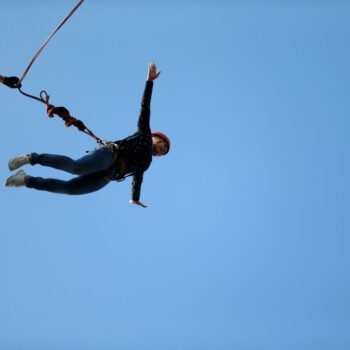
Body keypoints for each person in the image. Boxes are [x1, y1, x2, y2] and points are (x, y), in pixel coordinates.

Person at [4, 62, 170, 208]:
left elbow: (137, 179)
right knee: (76, 168)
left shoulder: (146, 163)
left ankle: (26, 180)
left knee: (69, 189)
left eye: (165, 152)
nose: (163, 151)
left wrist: (135, 198)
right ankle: (32, 158)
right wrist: (149, 82)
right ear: (157, 138)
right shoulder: (143, 134)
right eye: (164, 146)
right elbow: (145, 108)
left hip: (107, 176)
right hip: (109, 155)